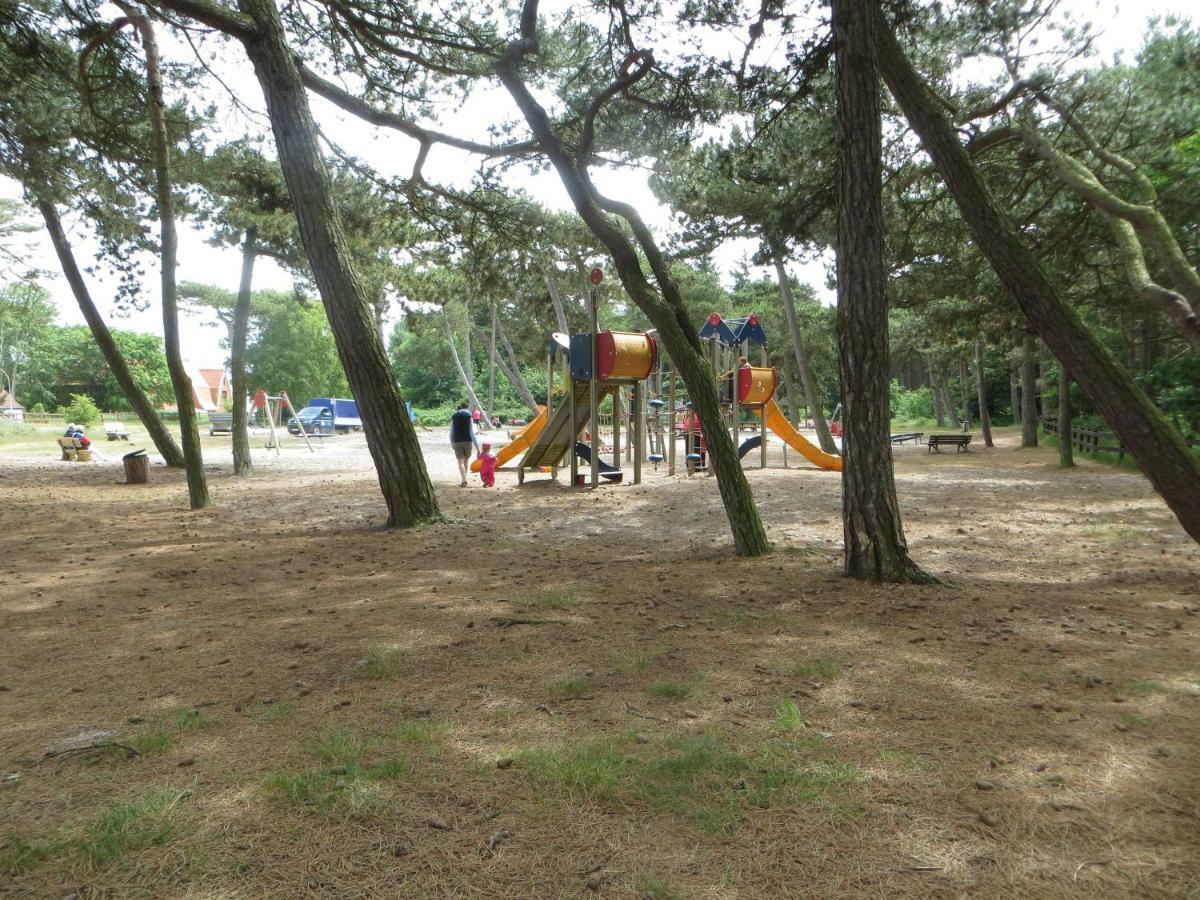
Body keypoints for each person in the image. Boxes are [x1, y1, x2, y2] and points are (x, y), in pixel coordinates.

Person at [449, 402, 479, 486]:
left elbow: (451, 432)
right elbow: (472, 433)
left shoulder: (454, 417)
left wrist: (452, 443)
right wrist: (476, 446)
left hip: (457, 441)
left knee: (460, 462)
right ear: (467, 408)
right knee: (466, 461)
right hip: (467, 441)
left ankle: (463, 479)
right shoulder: (469, 417)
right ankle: (464, 478)